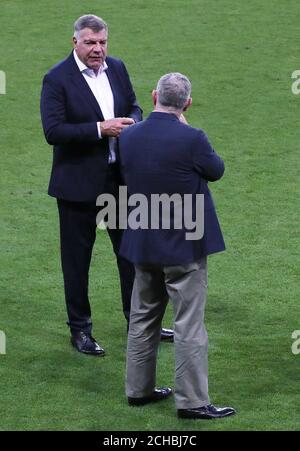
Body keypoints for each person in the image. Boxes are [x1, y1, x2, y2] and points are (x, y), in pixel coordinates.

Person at [40, 14, 174, 356]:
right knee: (77, 261)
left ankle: (140, 323)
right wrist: (102, 129)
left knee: (132, 257)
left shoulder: (117, 67)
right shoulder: (57, 79)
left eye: (102, 42)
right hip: (77, 188)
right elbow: (53, 131)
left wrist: (134, 123)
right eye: (90, 43)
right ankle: (80, 330)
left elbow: (133, 104)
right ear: (75, 42)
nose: (97, 49)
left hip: (119, 182)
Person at [119, 73, 236, 419]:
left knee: (142, 318)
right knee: (188, 323)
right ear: (187, 104)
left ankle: (138, 390)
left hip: (143, 240)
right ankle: (193, 401)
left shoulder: (128, 136)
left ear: (154, 96)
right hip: (184, 245)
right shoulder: (192, 138)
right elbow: (216, 170)